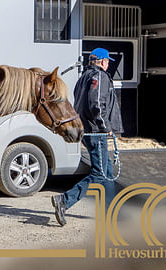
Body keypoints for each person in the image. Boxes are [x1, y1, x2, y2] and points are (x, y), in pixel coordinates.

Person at [51, 48, 124, 226]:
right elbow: (97, 103)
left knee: (107, 174)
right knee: (100, 173)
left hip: (89, 130)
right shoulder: (99, 77)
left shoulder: (83, 77)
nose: (108, 64)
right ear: (101, 61)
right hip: (96, 132)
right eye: (107, 61)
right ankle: (65, 200)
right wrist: (104, 126)